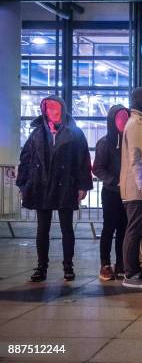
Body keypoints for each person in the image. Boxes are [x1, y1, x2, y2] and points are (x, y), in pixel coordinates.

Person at [17, 96, 92, 282]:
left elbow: (83, 160)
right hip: (41, 186)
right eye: (49, 108)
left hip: (66, 185)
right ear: (44, 111)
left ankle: (68, 266)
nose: (53, 112)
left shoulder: (75, 133)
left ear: (62, 109)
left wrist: (82, 185)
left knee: (67, 228)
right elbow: (26, 159)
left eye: (56, 108)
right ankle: (41, 267)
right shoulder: (37, 134)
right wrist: (23, 183)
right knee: (42, 229)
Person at [93, 105, 130, 281]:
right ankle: (105, 264)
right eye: (119, 118)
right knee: (109, 228)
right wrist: (114, 180)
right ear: (112, 121)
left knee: (124, 229)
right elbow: (97, 168)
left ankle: (121, 263)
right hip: (111, 192)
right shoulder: (105, 143)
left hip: (128, 193)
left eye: (125, 117)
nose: (123, 121)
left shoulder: (131, 140)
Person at [120, 87, 142, 289]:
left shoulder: (138, 122)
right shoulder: (137, 124)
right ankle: (130, 273)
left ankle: (134, 270)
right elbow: (138, 159)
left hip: (135, 188)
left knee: (137, 229)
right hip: (136, 190)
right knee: (135, 230)